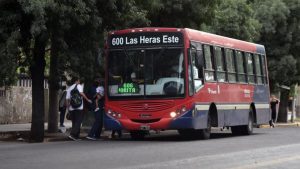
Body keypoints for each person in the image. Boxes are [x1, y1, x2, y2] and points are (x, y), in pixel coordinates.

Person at [66, 76, 92, 141]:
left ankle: (76, 136)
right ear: (77, 81)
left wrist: (68, 108)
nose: (79, 82)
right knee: (78, 122)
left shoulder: (70, 88)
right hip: (79, 107)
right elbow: (81, 93)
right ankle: (72, 134)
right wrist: (87, 99)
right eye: (79, 80)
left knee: (74, 122)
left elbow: (67, 99)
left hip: (72, 108)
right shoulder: (78, 86)